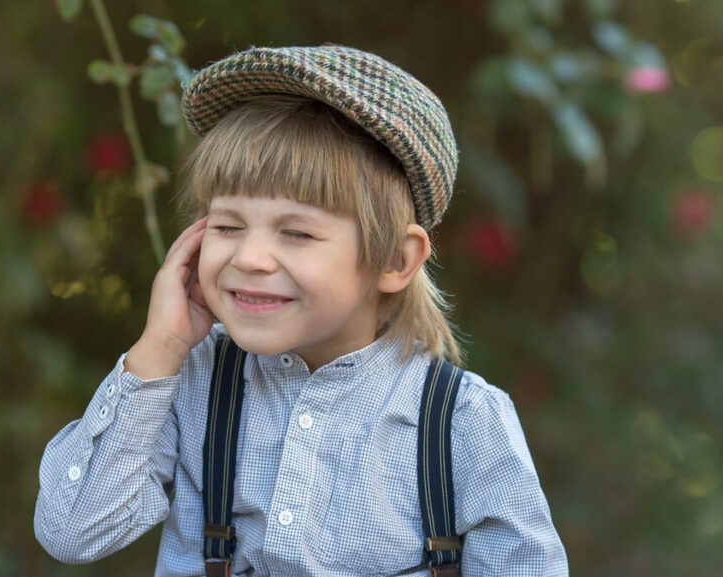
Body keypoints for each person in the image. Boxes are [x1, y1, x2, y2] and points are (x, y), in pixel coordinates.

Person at [34, 45, 569, 576]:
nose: (249, 257)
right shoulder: (191, 381)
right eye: (227, 226)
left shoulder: (461, 421)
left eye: (296, 233)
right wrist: (161, 347)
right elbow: (73, 530)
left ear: (395, 260)